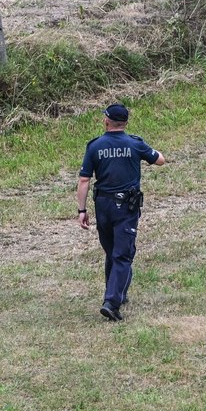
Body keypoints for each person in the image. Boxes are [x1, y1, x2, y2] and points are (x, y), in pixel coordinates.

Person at [77, 103, 166, 321]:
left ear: (106, 121)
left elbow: (84, 180)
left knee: (112, 252)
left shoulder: (95, 146)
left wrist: (82, 210)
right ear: (125, 123)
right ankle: (112, 302)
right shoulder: (135, 144)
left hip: (103, 206)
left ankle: (117, 292)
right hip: (126, 207)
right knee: (123, 255)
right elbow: (160, 160)